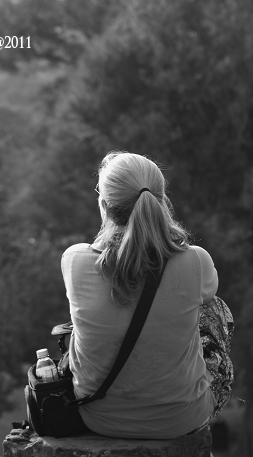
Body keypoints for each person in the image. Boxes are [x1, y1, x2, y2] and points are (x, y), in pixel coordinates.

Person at [61, 151, 219, 439]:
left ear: (104, 205)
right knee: (213, 308)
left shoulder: (75, 260)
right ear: (161, 201)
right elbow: (208, 298)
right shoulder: (196, 261)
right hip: (180, 419)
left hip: (99, 418)